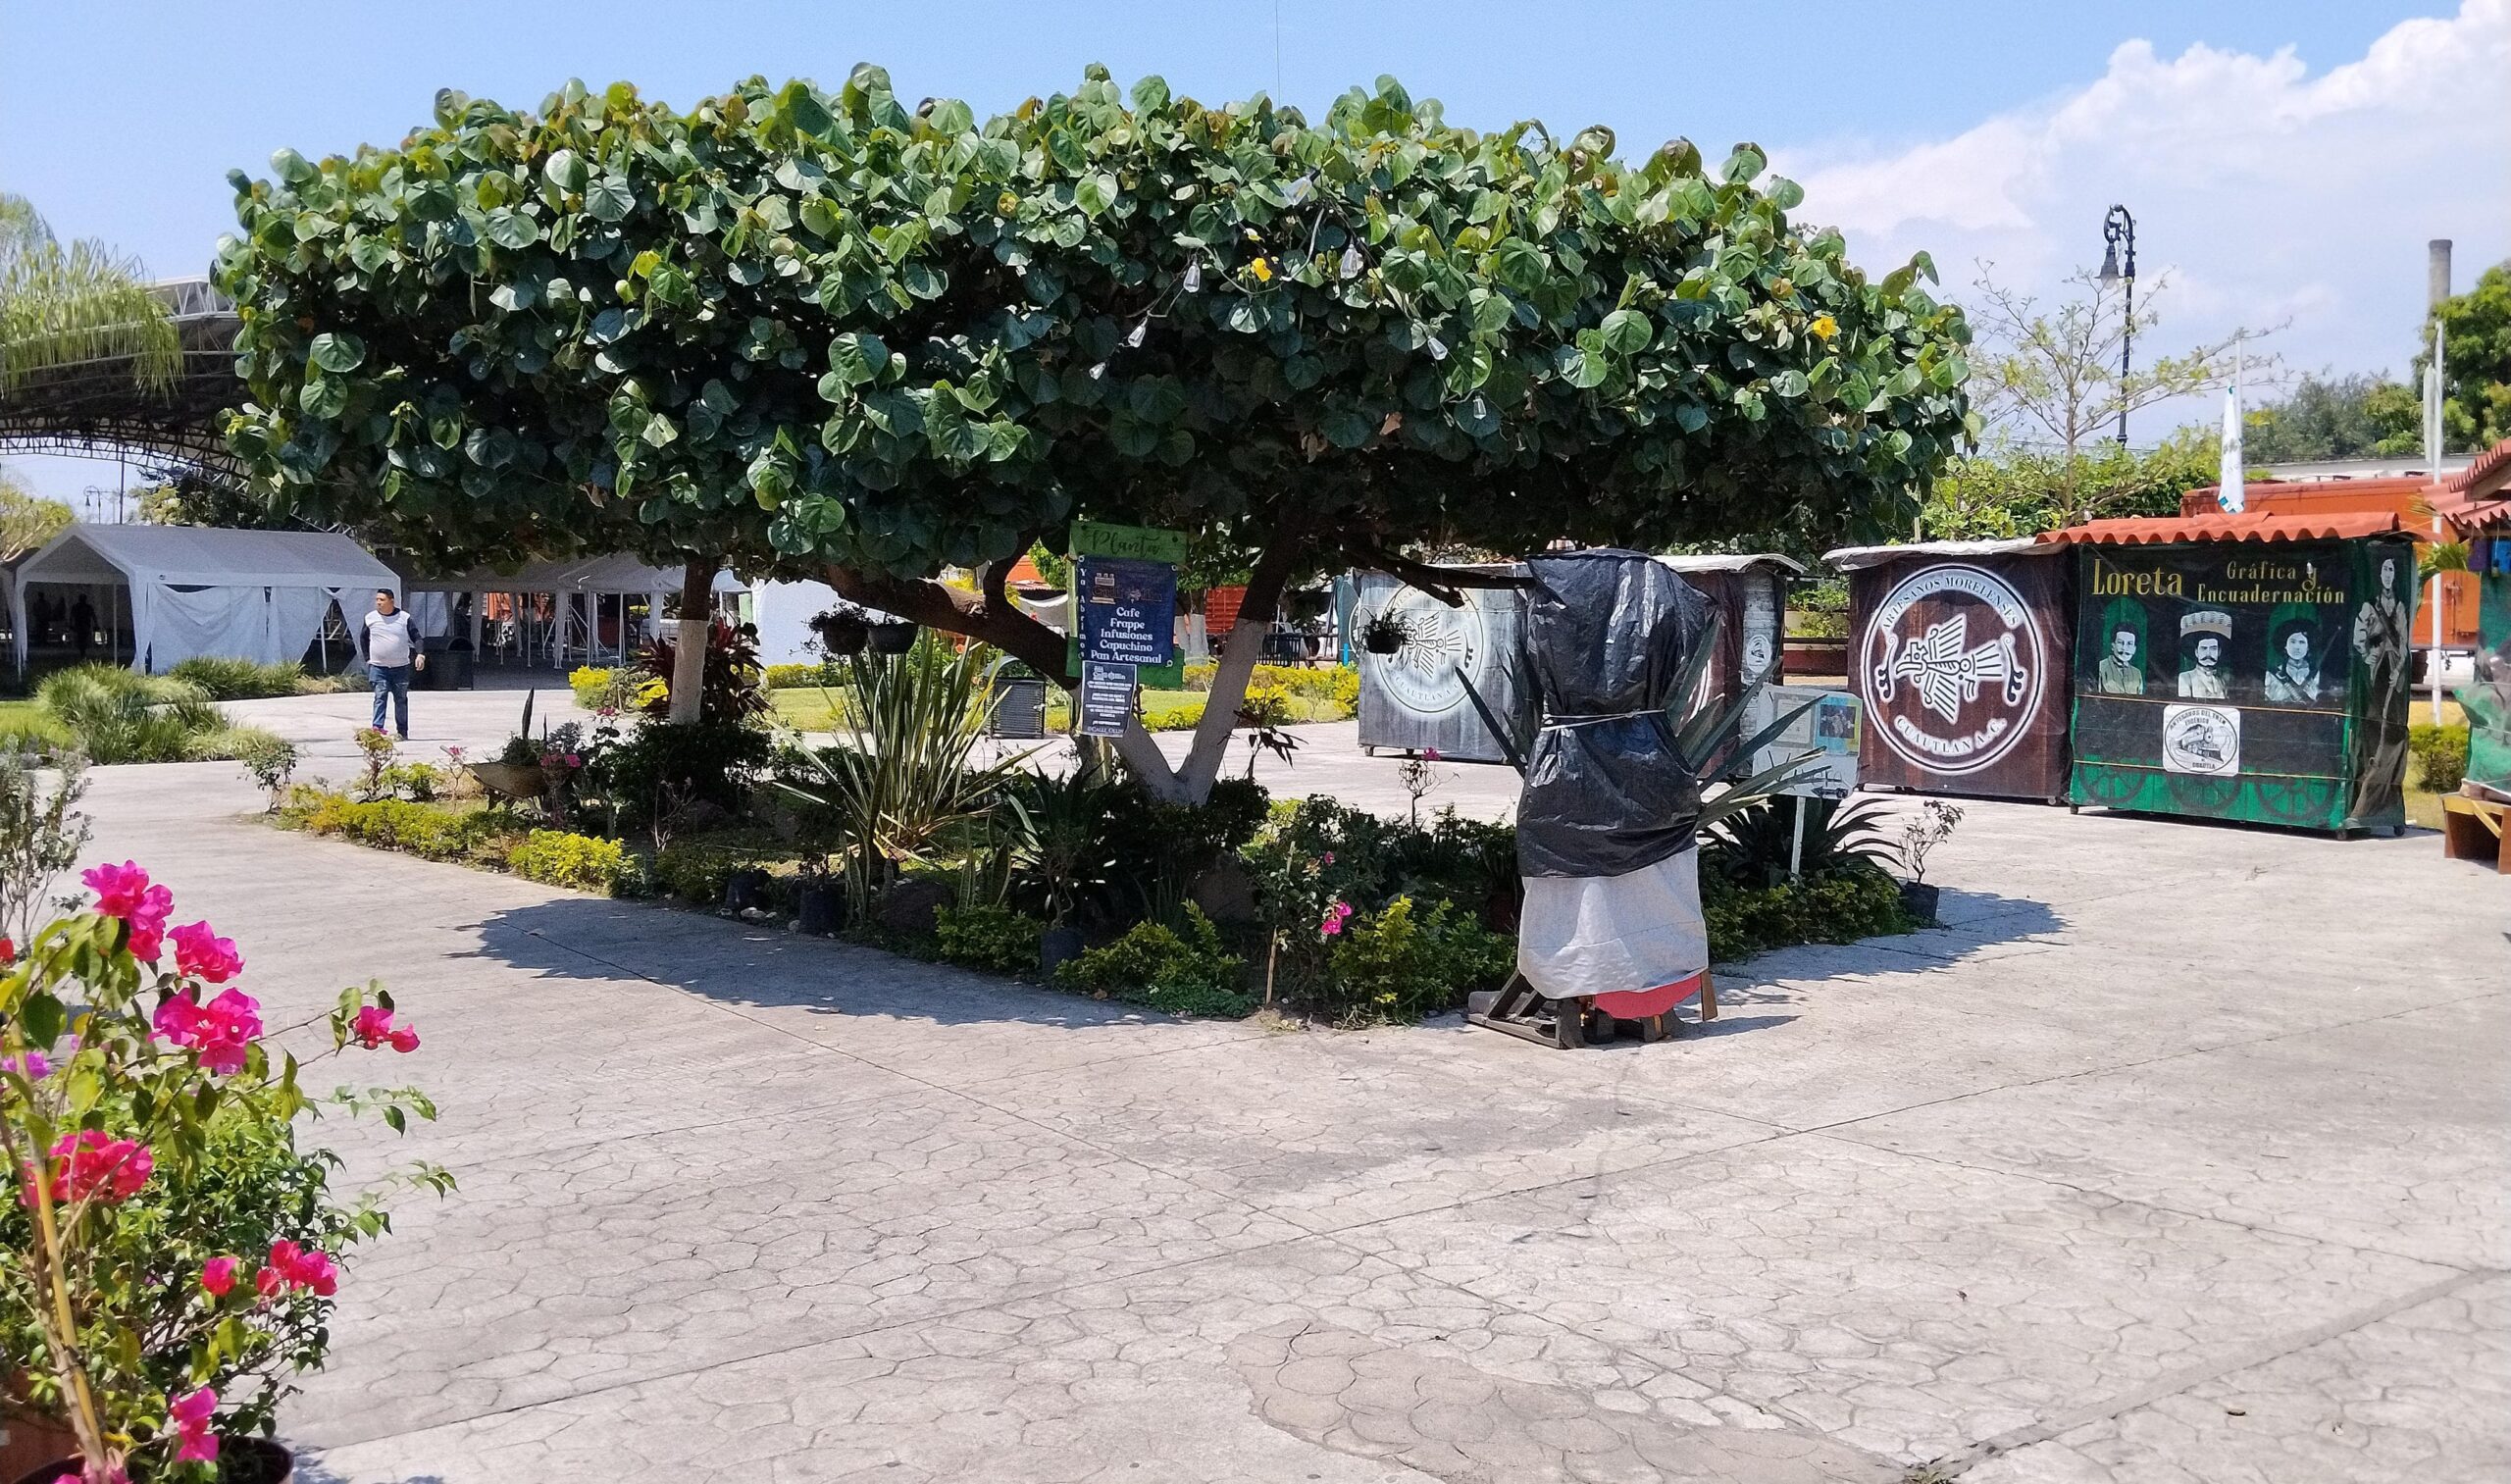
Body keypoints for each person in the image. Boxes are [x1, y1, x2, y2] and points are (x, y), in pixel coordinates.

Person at [363, 588, 425, 740]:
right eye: (377, 599)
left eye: (382, 600)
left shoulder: (404, 618)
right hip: (378, 667)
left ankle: (402, 732)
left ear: (392, 601)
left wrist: (420, 654)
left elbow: (417, 637)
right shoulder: (370, 618)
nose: (378, 603)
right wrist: (367, 658)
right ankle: (377, 731)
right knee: (380, 697)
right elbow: (363, 638)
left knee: (401, 700)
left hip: (400, 668)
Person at [2176, 611, 2231, 699]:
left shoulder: (2222, 680)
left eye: (2213, 649)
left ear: (2219, 652)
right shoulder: (2186, 677)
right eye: (2204, 649)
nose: (2208, 654)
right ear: (2196, 652)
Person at [2263, 626, 2321, 705]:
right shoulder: (2272, 674)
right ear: (2285, 646)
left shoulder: (2317, 674)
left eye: (2301, 642)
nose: (2297, 647)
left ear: (2308, 647)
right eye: (2292, 642)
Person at [2098, 627, 2144, 695]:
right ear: (2113, 646)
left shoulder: (2137, 673)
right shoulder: (2101, 667)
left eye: (2129, 644)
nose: (2124, 648)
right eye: (2120, 642)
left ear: (2134, 649)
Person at [70, 592, 94, 660]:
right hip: (81, 625)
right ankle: (82, 652)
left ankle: (82, 651)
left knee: (82, 638)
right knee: (82, 638)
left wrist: (71, 624)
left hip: (82, 625)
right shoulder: (84, 607)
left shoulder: (78, 607)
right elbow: (71, 616)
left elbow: (71, 616)